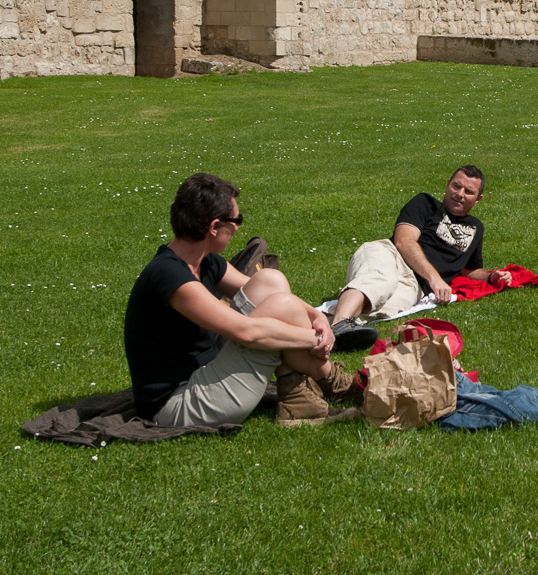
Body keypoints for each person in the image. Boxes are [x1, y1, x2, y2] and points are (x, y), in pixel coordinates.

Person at [124, 173, 361, 428]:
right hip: (180, 404)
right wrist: (315, 340)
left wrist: (317, 318)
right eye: (236, 220)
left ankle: (312, 392)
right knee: (280, 308)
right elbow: (246, 333)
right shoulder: (169, 276)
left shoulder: (203, 261)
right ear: (214, 227)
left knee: (271, 280)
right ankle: (327, 383)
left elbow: (269, 292)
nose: (238, 227)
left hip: (207, 371)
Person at [330, 166, 514, 334]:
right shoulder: (425, 203)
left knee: (381, 309)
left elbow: (469, 269)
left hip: (416, 286)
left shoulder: (476, 228)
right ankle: (339, 325)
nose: (460, 194)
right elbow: (404, 241)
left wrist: (491, 276)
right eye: (456, 186)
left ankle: (327, 330)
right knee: (380, 281)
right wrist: (435, 279)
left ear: (478, 199)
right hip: (391, 257)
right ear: (447, 184)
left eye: (468, 192)